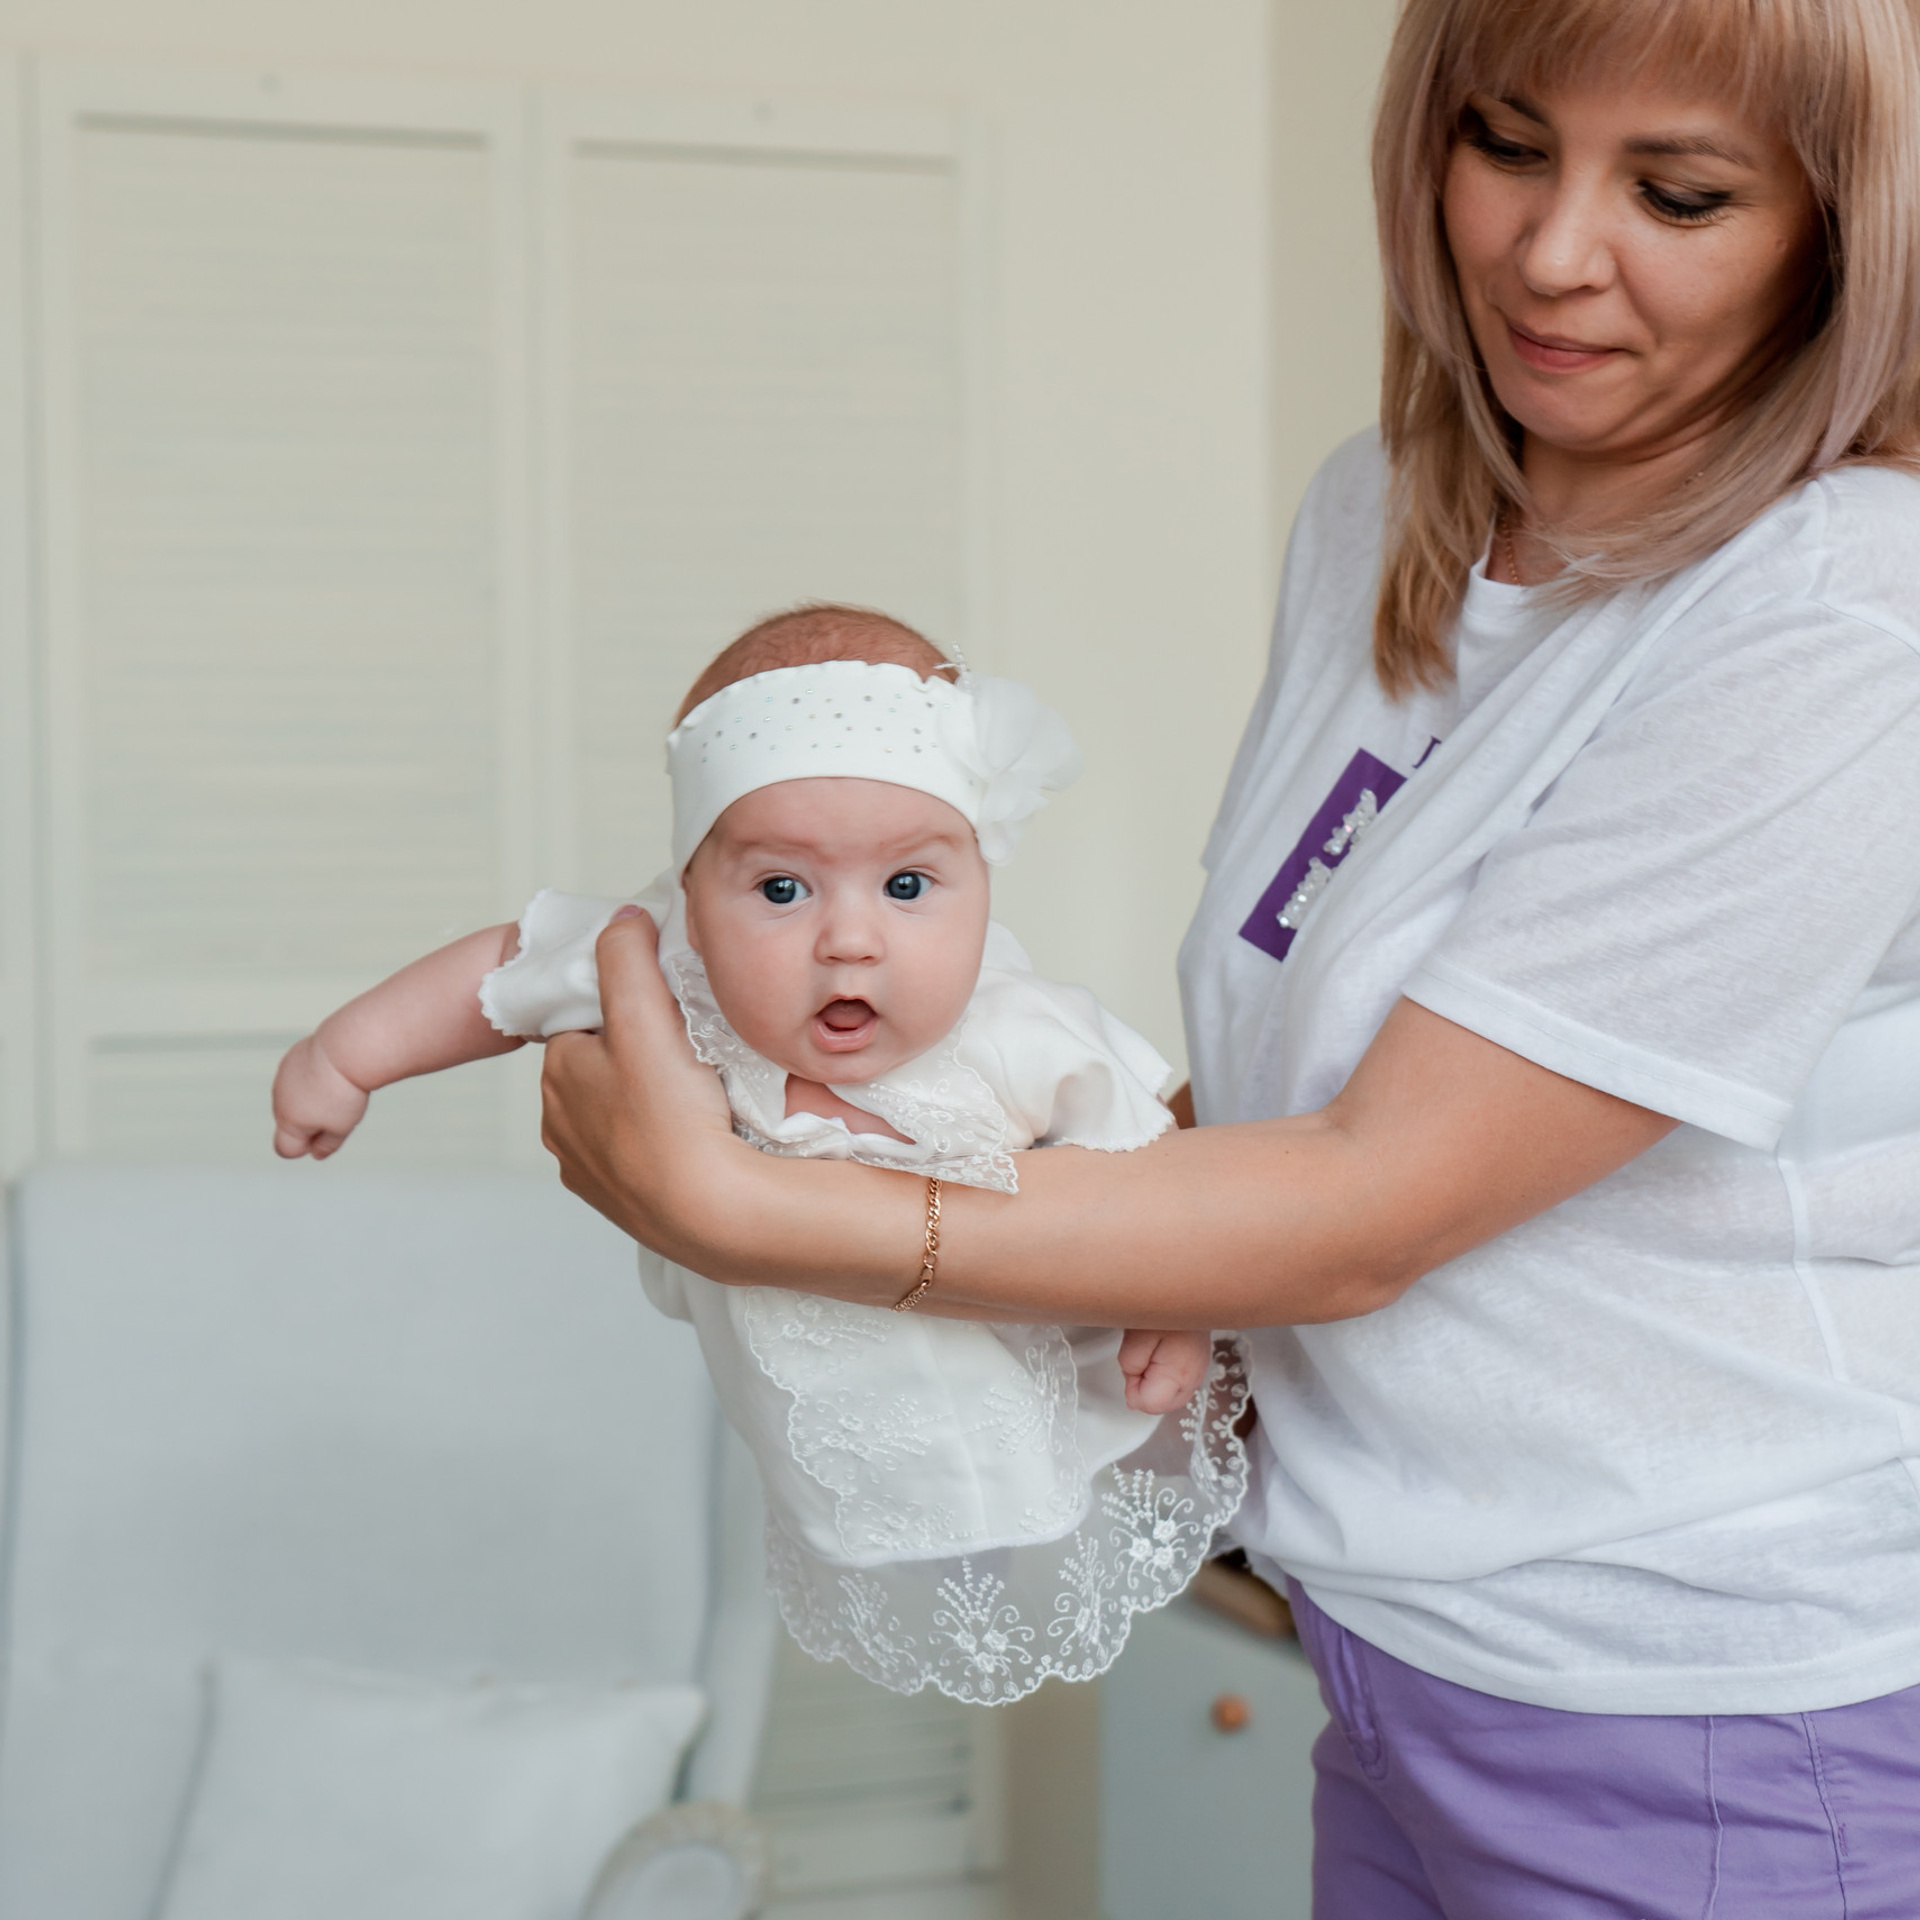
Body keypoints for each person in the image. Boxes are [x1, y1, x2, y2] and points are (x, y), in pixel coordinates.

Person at [537, 0, 1920, 1909]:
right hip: (1391, 1659)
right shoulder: (1383, 513)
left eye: (1678, 191)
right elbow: (1288, 1079)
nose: (1550, 250)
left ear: (1838, 236)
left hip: (1697, 1713)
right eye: (1508, 143)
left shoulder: (1844, 609)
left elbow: (1372, 1201)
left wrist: (759, 1205)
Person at [270, 605, 1243, 1705]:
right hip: (828, 1432)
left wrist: (1172, 1305)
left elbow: (1155, 1170)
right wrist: (349, 1055)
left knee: (1029, 1494)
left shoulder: (1022, 1033)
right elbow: (502, 963)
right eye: (782, 889)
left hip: (1020, 1383)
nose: (850, 938)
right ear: (692, 891)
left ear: (983, 879)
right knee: (881, 1510)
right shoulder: (668, 974)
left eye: (910, 886)